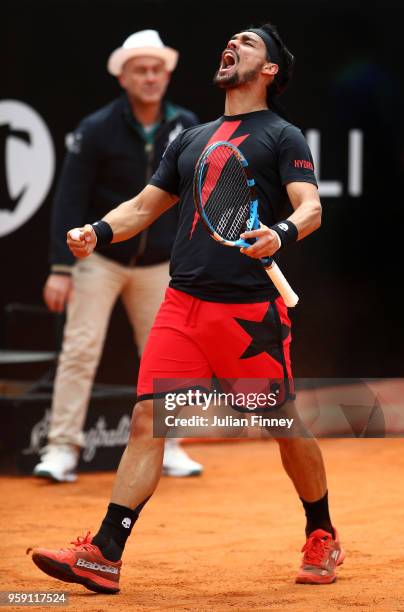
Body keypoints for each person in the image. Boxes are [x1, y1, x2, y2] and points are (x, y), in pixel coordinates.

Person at [30, 23, 344, 592]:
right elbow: (144, 206)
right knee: (149, 419)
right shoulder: (190, 137)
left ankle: (322, 532)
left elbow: (311, 207)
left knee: (281, 425)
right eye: (233, 41)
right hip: (182, 305)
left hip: (249, 317)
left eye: (249, 43)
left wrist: (280, 232)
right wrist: (97, 231)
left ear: (269, 70)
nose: (234, 45)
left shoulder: (283, 136)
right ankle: (105, 551)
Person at [32, 29, 203, 482]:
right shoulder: (96, 128)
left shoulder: (187, 125)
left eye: (156, 70)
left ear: (166, 76)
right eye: (140, 70)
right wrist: (61, 267)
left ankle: (170, 449)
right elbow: (70, 199)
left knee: (166, 359)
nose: (149, 77)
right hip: (99, 260)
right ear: (123, 78)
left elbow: (194, 199)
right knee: (80, 350)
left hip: (161, 264)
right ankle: (62, 449)